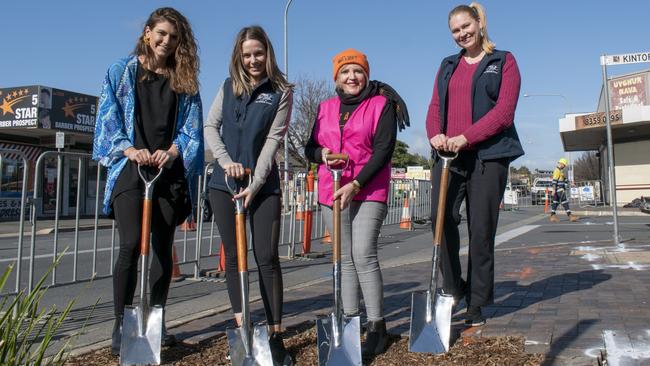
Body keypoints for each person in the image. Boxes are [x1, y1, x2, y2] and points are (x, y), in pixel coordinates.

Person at [92, 7, 203, 356]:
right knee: (129, 245)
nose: (166, 42)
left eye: (173, 37)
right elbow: (107, 115)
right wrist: (128, 149)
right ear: (146, 32)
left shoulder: (183, 80)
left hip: (167, 171)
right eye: (161, 34)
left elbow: (192, 127)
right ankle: (121, 323)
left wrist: (172, 152)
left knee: (161, 248)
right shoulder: (121, 71)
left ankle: (156, 320)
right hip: (132, 169)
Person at [305, 48, 409, 359]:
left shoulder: (381, 105)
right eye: (345, 72)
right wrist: (321, 155)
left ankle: (377, 326)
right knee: (343, 259)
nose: (352, 77)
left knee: (363, 254)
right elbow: (309, 147)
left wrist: (356, 183)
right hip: (331, 191)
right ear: (335, 78)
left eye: (358, 71)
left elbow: (383, 149)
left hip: (368, 189)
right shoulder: (325, 108)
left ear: (366, 74)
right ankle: (350, 322)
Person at [425, 2, 524, 327]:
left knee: (481, 230)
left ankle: (477, 303)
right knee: (440, 221)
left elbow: (503, 113)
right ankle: (454, 287)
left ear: (480, 24)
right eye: (455, 30)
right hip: (449, 156)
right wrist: (434, 135)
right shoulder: (447, 64)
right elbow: (436, 105)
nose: (461, 34)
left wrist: (465, 137)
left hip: (487, 158)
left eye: (466, 26)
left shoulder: (503, 61)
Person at [203, 25, 293, 366]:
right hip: (223, 185)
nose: (253, 60)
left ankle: (275, 335)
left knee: (267, 258)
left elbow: (273, 140)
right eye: (247, 54)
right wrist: (226, 164)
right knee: (235, 259)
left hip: (263, 186)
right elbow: (211, 128)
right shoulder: (228, 88)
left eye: (258, 53)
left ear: (267, 53)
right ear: (238, 57)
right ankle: (243, 331)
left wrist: (254, 184)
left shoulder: (281, 91)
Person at [550, 158, 578, 222]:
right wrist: (554, 190)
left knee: (555, 202)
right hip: (559, 189)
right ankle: (570, 216)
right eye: (564, 165)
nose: (564, 166)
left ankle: (552, 216)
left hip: (558, 189)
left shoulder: (560, 171)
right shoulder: (557, 171)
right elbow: (554, 181)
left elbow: (564, 179)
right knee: (565, 202)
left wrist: (570, 183)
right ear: (561, 164)